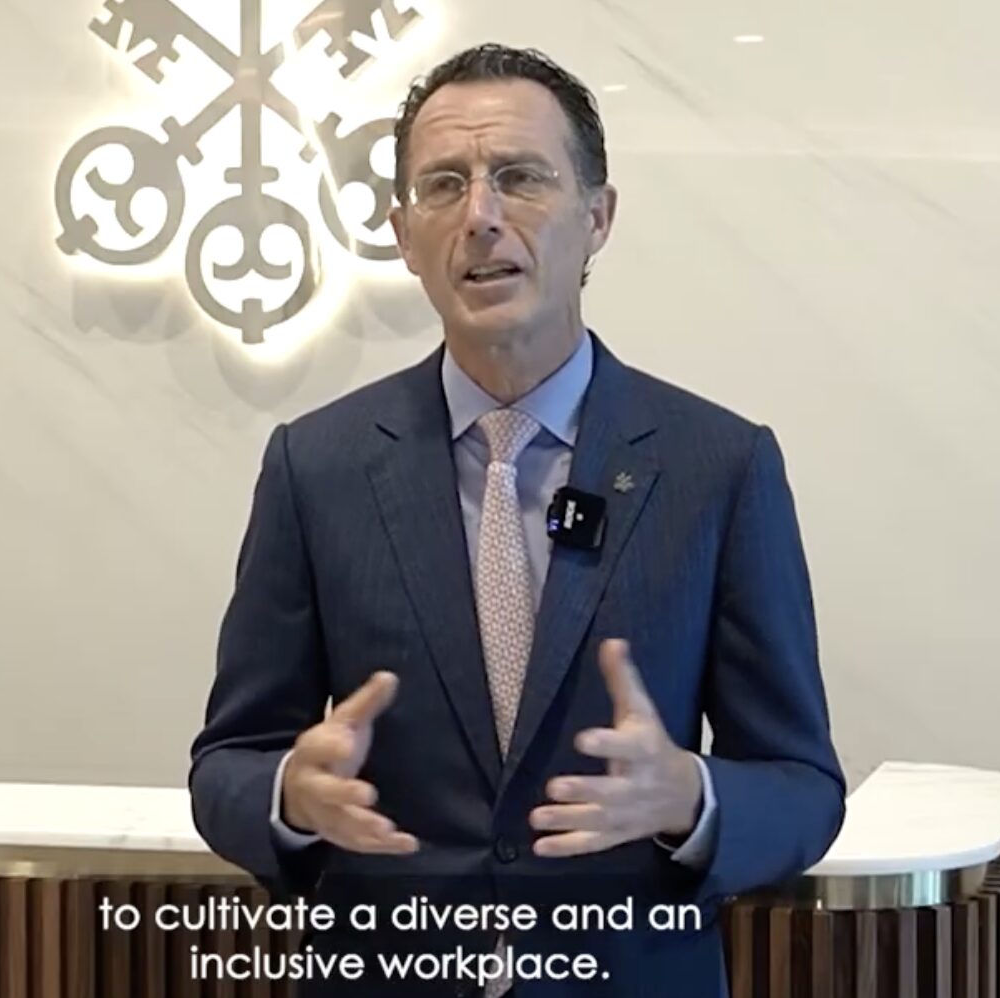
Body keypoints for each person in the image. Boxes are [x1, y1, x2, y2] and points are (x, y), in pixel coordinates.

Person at [189, 43, 844, 997]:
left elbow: (802, 785)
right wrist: (287, 793)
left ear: (598, 217)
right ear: (403, 235)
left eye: (522, 178)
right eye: (443, 185)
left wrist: (689, 795)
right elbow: (227, 764)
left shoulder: (720, 467)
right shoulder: (317, 466)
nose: (481, 215)